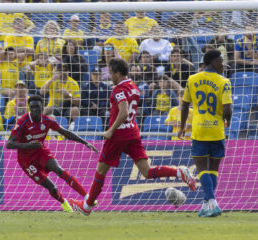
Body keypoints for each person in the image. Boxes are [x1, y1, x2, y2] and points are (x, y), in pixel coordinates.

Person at [68, 58, 196, 216]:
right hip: (133, 132)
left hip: (119, 134)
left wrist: (110, 130)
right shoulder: (134, 87)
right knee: (147, 171)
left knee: (101, 170)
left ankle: (86, 207)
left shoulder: (118, 89)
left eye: (111, 73)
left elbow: (123, 111)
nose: (109, 76)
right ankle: (179, 172)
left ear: (117, 73)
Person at [6, 95, 98, 212]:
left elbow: (65, 132)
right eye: (32, 107)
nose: (35, 110)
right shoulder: (23, 121)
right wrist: (27, 146)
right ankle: (64, 203)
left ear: (42, 107)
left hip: (40, 152)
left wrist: (85, 142)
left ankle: (87, 197)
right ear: (29, 108)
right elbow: (9, 144)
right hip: (26, 160)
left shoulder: (47, 121)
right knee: (52, 188)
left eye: (37, 107)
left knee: (58, 169)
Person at [178, 49, 232, 217]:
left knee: (202, 169)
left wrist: (181, 127)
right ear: (214, 62)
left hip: (199, 130)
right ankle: (208, 203)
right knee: (213, 169)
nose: (223, 64)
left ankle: (210, 203)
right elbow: (227, 108)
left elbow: (185, 105)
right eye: (221, 61)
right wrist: (227, 121)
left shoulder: (192, 79)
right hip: (217, 130)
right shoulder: (224, 81)